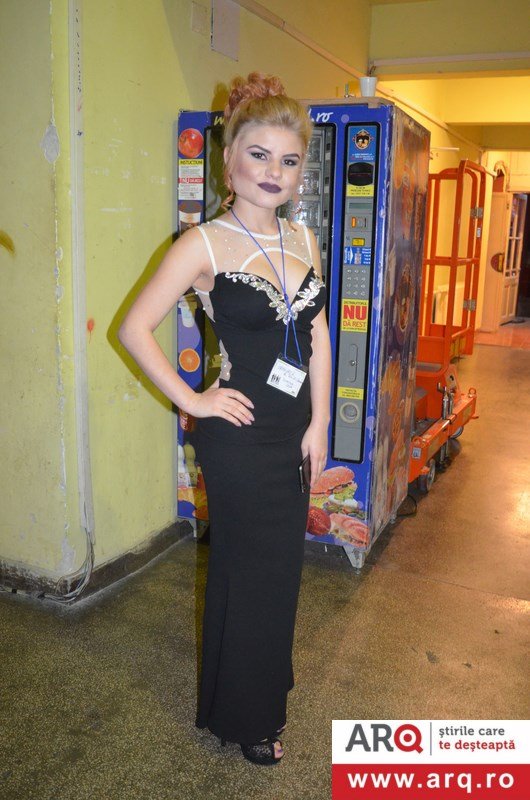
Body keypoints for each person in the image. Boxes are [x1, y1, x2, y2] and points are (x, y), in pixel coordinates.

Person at [118, 72, 331, 765]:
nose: (274, 171)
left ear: (300, 172)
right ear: (229, 157)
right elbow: (134, 329)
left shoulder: (302, 239)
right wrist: (194, 400)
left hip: (292, 434)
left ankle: (253, 698)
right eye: (259, 154)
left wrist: (320, 424)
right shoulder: (203, 244)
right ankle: (247, 718)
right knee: (247, 571)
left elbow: (319, 332)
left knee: (281, 574)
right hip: (237, 436)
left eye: (289, 160)